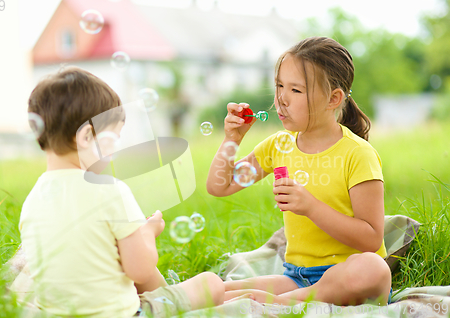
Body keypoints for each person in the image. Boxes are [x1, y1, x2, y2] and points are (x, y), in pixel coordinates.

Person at [20, 66, 224, 318]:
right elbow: (139, 270)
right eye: (111, 140)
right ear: (86, 136)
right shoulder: (110, 189)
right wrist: (148, 233)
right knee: (211, 283)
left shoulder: (32, 200)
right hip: (122, 314)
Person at [207, 37, 392, 306]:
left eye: (295, 90)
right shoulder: (278, 146)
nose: (281, 98)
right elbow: (219, 185)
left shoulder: (357, 154)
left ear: (333, 98)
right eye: (280, 86)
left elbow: (371, 239)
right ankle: (290, 299)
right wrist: (232, 140)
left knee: (373, 268)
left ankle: (281, 302)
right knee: (221, 291)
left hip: (349, 276)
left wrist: (311, 207)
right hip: (298, 277)